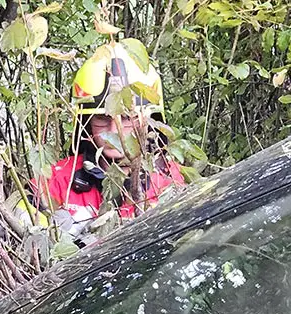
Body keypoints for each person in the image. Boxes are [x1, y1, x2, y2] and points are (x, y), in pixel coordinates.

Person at [31, 40, 185, 242]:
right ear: (86, 123)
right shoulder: (58, 180)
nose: (114, 131)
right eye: (103, 119)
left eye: (127, 118)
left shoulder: (170, 180)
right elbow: (14, 226)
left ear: (149, 121)